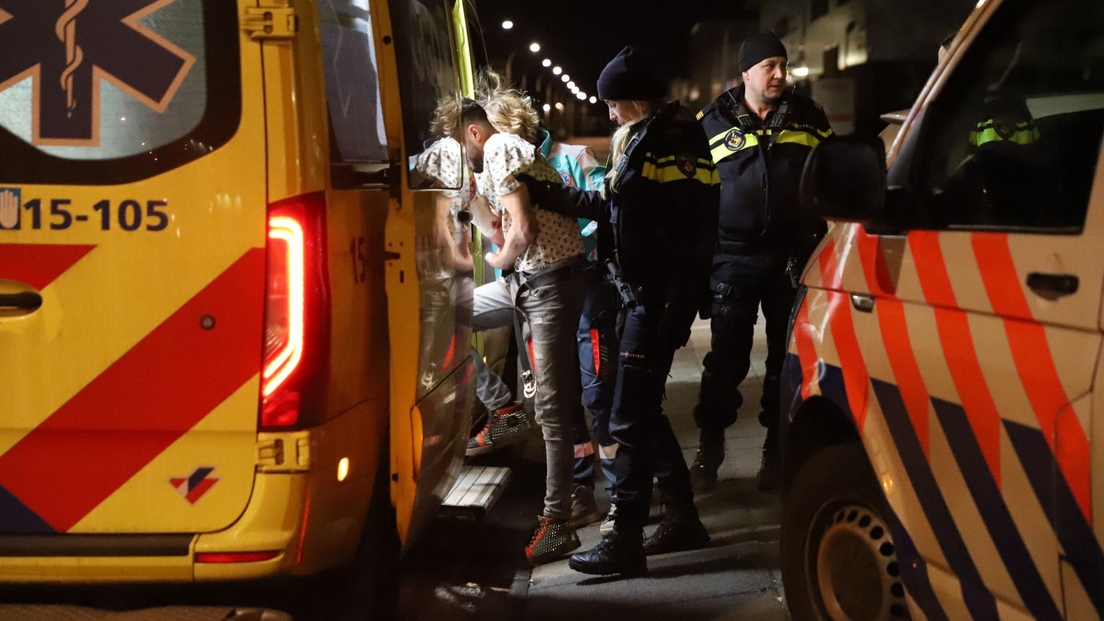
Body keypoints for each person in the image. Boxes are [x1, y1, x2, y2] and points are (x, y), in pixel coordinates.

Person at [521, 46, 719, 576]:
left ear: (636, 100)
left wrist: (674, 305)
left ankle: (625, 539)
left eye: (613, 104)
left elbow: (679, 229)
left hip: (655, 299)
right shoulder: (654, 135)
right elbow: (619, 210)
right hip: (647, 295)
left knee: (627, 415)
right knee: (643, 410)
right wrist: (553, 195)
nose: (609, 114)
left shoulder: (667, 141)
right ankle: (682, 517)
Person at [440, 81, 591, 566]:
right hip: (527, 282)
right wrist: (473, 201)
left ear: (474, 132)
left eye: (458, 146)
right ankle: (504, 408)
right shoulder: (493, 158)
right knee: (447, 319)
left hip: (548, 283)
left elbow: (522, 231)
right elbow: (500, 225)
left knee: (551, 407)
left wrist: (498, 258)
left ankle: (557, 523)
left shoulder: (501, 147)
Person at [689, 33, 832, 493]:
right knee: (725, 361)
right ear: (746, 72)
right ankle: (710, 449)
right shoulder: (710, 121)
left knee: (784, 362)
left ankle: (776, 450)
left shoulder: (808, 116)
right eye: (769, 65)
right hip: (733, 258)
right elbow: (694, 192)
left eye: (783, 65)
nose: (779, 74)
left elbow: (830, 176)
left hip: (793, 258)